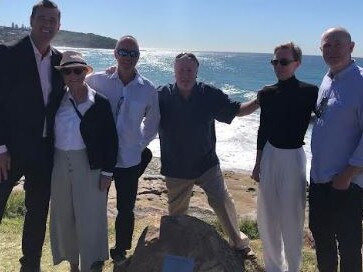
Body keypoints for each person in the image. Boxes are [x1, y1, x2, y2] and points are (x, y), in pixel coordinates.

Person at [158, 52, 259, 258]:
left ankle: (239, 243)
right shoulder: (162, 95)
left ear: (196, 71)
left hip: (206, 164)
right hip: (176, 168)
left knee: (223, 202)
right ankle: (178, 251)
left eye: (189, 70)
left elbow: (237, 110)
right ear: (174, 71)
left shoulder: (208, 94)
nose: (185, 74)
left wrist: (261, 100)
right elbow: (136, 109)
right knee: (177, 215)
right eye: (180, 70)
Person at [85, 35, 160, 266]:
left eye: (133, 53)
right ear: (115, 54)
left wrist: (139, 146)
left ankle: (120, 251)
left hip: (129, 160)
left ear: (138, 57)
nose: (128, 57)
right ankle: (96, 251)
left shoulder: (147, 89)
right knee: (97, 208)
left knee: (126, 209)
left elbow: (153, 123)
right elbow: (75, 86)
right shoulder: (98, 80)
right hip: (101, 158)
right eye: (123, 52)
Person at [0, 1, 63, 271]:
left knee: (37, 213)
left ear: (59, 25)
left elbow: (76, 88)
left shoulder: (61, 61)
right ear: (31, 20)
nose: (47, 25)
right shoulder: (7, 54)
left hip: (44, 151)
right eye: (43, 19)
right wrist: (0, 147)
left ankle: (31, 265)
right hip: (9, 151)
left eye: (53, 20)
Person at [251, 42, 318, 272]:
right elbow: (263, 129)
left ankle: (293, 268)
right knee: (267, 216)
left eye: (284, 61)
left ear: (296, 63)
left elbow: (324, 119)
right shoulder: (266, 93)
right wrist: (257, 164)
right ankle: (273, 267)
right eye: (275, 61)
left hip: (295, 158)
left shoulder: (310, 91)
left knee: (293, 217)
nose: (278, 65)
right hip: (270, 155)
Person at [50, 51, 118, 272]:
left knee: (91, 217)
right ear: (62, 75)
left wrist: (108, 173)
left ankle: (92, 263)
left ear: (85, 72)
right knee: (64, 216)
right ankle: (73, 264)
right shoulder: (56, 99)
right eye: (67, 71)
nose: (73, 75)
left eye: (78, 70)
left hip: (90, 166)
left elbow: (111, 140)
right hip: (60, 164)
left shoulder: (100, 102)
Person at [309, 27, 363, 272]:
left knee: (349, 244)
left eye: (337, 44)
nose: (331, 51)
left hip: (346, 183)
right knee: (322, 238)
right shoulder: (328, 78)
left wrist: (348, 173)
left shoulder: (360, 82)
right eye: (326, 46)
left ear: (351, 47)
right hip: (319, 177)